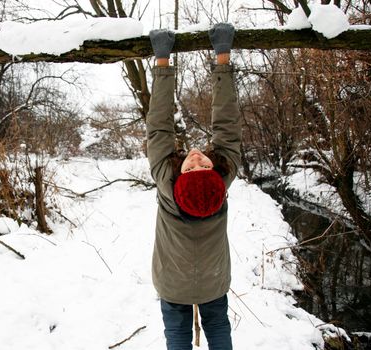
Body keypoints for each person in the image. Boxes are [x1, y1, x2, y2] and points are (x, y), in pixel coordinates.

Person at [147, 23, 241, 350]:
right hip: (214, 282)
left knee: (177, 338)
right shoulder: (224, 176)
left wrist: (162, 63)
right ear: (217, 175)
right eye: (201, 164)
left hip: (173, 286)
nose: (198, 157)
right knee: (219, 333)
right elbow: (227, 126)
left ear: (179, 177)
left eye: (193, 165)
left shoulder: (165, 179)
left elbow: (159, 129)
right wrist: (222, 57)